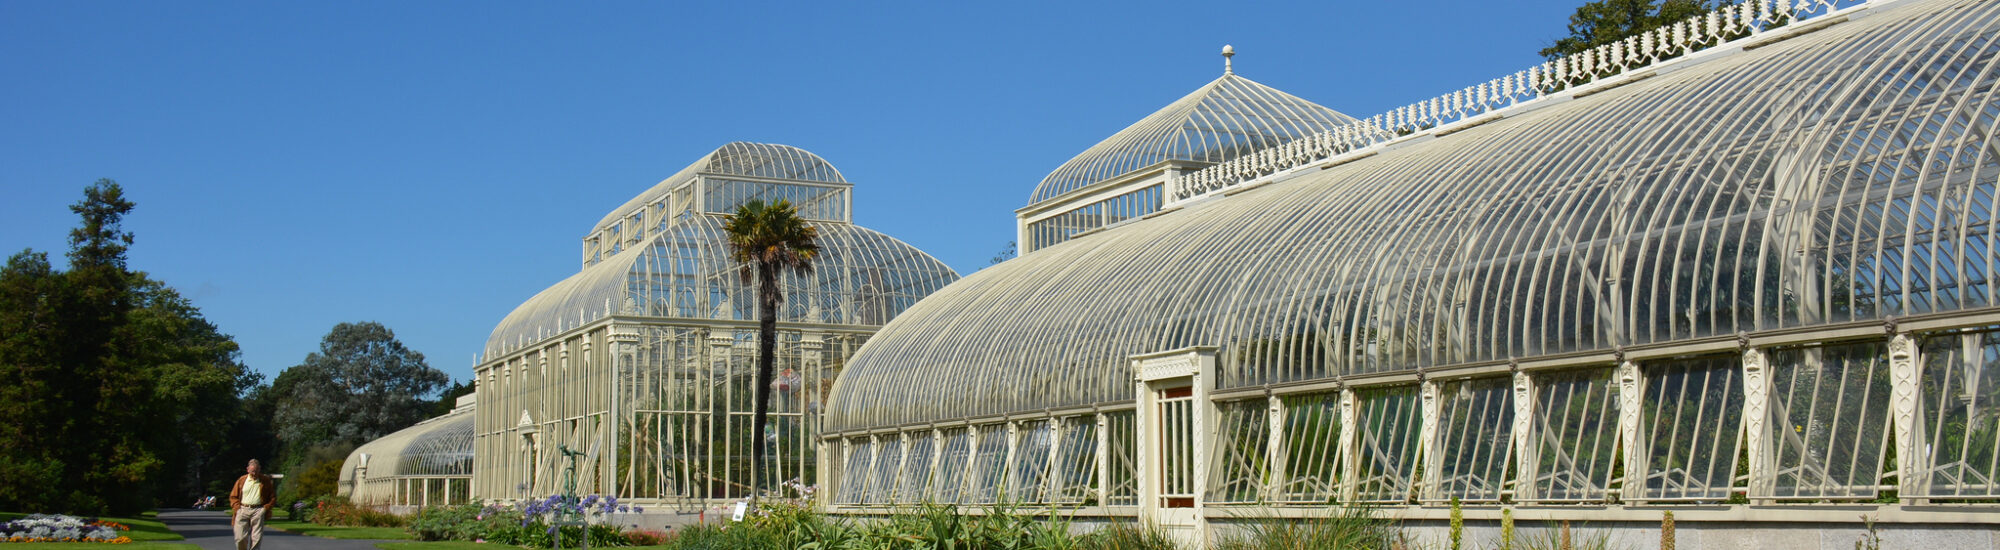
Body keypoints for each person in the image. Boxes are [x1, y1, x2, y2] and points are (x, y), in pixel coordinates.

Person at [228, 459, 276, 550]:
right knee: (240, 538)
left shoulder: (265, 481)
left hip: (258, 510)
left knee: (256, 538)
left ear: (260, 469)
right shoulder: (242, 480)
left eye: (257, 471)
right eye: (253, 471)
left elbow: (272, 497)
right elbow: (233, 496)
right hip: (243, 509)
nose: (255, 473)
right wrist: (237, 508)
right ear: (248, 469)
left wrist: (265, 508)